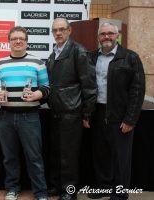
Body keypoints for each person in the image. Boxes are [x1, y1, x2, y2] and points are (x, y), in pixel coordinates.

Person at [87, 22, 145, 200]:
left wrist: (130, 120)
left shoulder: (130, 58)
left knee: (121, 158)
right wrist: (86, 114)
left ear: (117, 35)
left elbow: (137, 90)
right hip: (97, 113)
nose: (106, 37)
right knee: (100, 154)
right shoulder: (91, 57)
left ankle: (119, 193)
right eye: (103, 34)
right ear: (98, 37)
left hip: (120, 115)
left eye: (110, 33)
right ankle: (103, 187)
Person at [0, 26, 49, 200]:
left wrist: (35, 95)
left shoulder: (37, 62)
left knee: (34, 157)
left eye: (21, 39)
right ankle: (12, 188)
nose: (18, 41)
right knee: (9, 157)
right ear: (8, 42)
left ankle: (40, 192)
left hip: (30, 117)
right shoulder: (0, 63)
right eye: (14, 39)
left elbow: (47, 88)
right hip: (6, 117)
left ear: (26, 42)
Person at [46, 18, 97, 200]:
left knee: (69, 156)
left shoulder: (78, 51)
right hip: (55, 113)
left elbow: (89, 86)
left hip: (72, 113)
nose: (58, 33)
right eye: (55, 30)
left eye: (61, 29)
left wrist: (87, 114)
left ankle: (69, 192)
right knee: (55, 154)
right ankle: (56, 187)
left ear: (69, 31)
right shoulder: (53, 54)